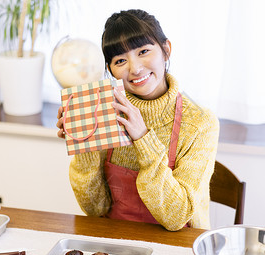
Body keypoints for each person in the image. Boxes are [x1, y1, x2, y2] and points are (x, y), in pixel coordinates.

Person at [56, 9, 219, 231]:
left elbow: (176, 216)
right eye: (120, 60)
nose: (135, 68)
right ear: (110, 70)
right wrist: (84, 143)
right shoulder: (104, 110)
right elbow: (95, 209)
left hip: (178, 246)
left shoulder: (201, 123)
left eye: (143, 51)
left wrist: (143, 138)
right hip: (117, 243)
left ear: (166, 50)